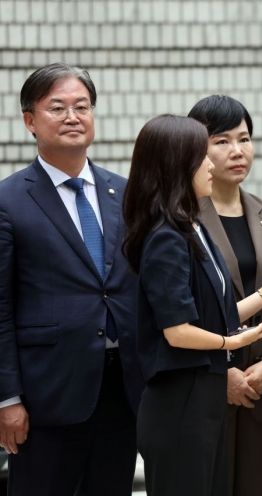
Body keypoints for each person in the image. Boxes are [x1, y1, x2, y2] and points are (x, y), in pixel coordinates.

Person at [122, 114, 262, 496]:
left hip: (203, 400)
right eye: (202, 156)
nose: (211, 164)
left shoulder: (193, 228)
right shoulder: (166, 237)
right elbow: (178, 331)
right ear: (177, 166)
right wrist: (233, 344)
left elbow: (215, 314)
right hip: (178, 403)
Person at [0, 63, 144, 496]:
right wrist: (7, 399)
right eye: (56, 107)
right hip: (47, 394)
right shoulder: (9, 200)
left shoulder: (126, 192)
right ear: (29, 120)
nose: (72, 117)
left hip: (123, 389)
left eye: (82, 106)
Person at [188, 95, 262, 496]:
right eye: (222, 141)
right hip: (205, 382)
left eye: (244, 139)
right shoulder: (182, 219)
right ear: (198, 149)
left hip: (261, 383)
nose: (237, 151)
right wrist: (222, 372)